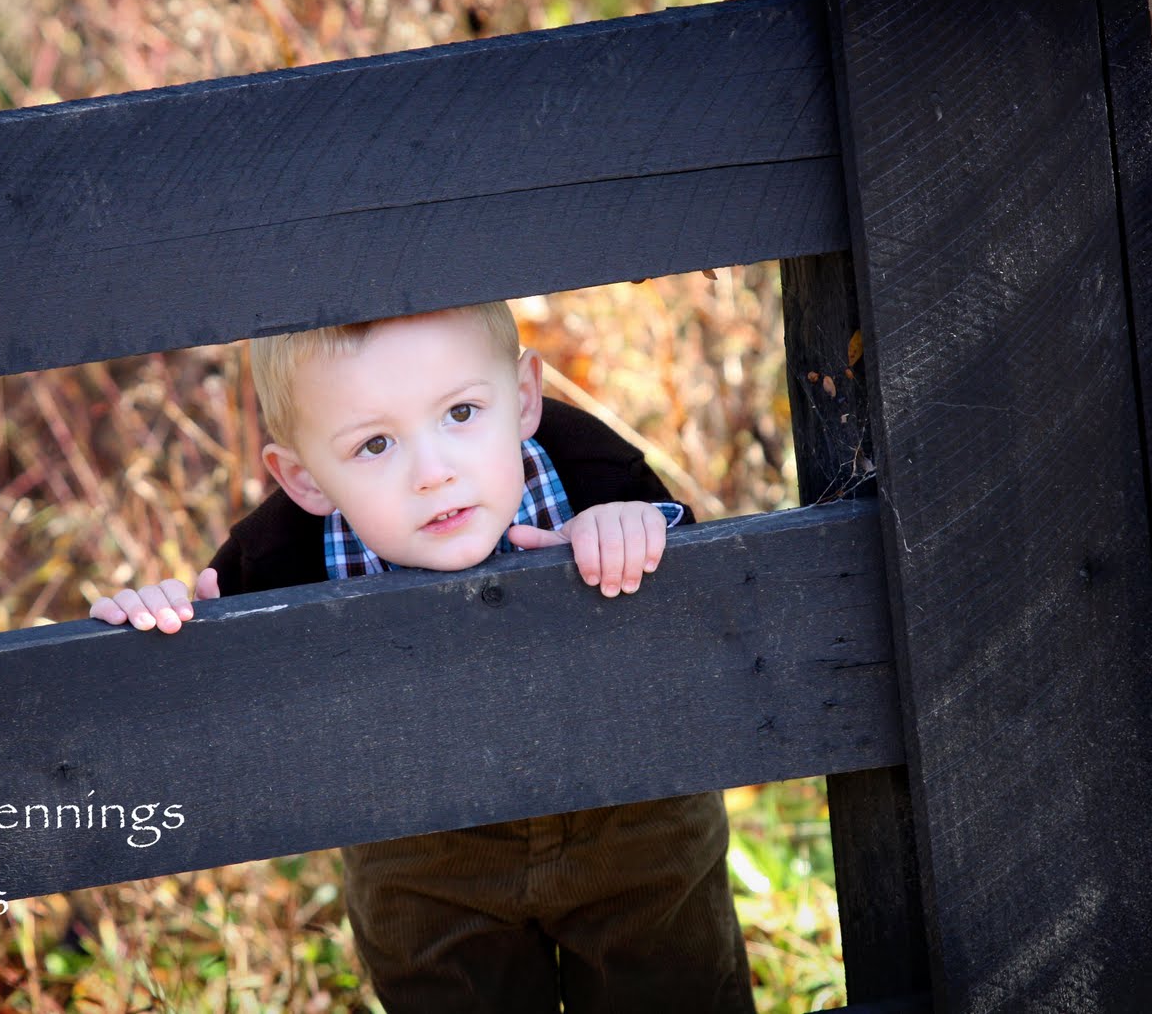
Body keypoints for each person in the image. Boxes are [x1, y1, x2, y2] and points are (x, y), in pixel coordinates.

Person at [90, 301, 753, 1012]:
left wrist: (638, 531)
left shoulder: (593, 472)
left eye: (461, 413)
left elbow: (709, 619)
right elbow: (210, 685)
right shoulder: (277, 556)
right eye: (375, 445)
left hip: (631, 816)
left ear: (523, 396)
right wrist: (160, 622)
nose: (433, 471)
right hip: (422, 854)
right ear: (305, 477)